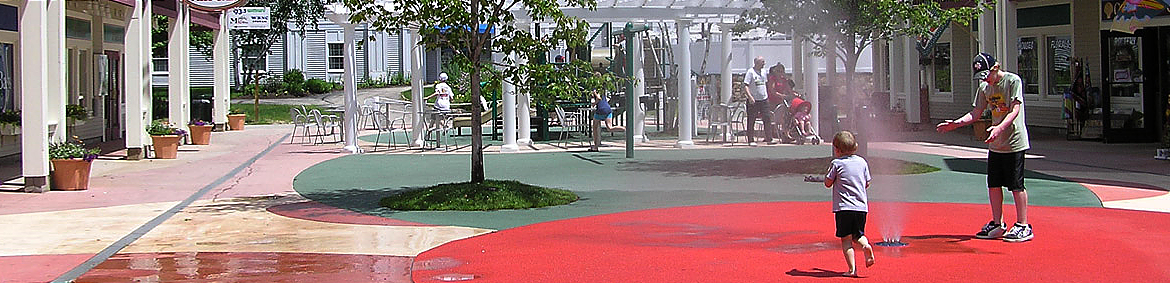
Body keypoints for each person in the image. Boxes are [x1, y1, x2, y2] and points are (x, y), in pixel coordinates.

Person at [936, 52, 1033, 242]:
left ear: (996, 68)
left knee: (1016, 185)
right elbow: (976, 112)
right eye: (981, 77)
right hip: (995, 144)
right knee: (993, 184)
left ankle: (1023, 225)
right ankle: (998, 224)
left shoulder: (1013, 81)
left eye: (987, 75)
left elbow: (1015, 109)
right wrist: (955, 124)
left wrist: (999, 128)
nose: (985, 79)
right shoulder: (984, 88)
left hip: (1014, 142)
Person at [823, 131, 875, 277]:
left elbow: (827, 183)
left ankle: (852, 270)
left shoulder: (836, 163)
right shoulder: (862, 162)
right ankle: (865, 246)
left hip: (843, 208)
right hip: (861, 207)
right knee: (858, 234)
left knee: (846, 240)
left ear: (838, 150)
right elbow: (867, 183)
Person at [742, 56, 774, 145]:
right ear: (757, 63)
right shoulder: (750, 72)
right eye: (762, 62)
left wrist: (767, 95)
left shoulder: (764, 72)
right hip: (754, 100)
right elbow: (745, 85)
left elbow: (765, 84)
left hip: (764, 99)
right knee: (751, 119)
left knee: (767, 118)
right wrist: (750, 97)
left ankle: (769, 139)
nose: (764, 63)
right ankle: (751, 140)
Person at [767, 63, 794, 141]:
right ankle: (773, 132)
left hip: (781, 102)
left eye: (781, 71)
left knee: (787, 115)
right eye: (778, 71)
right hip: (773, 102)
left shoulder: (784, 80)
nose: (780, 73)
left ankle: (786, 133)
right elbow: (773, 91)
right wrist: (782, 96)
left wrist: (792, 94)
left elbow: (789, 89)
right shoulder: (772, 79)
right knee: (776, 116)